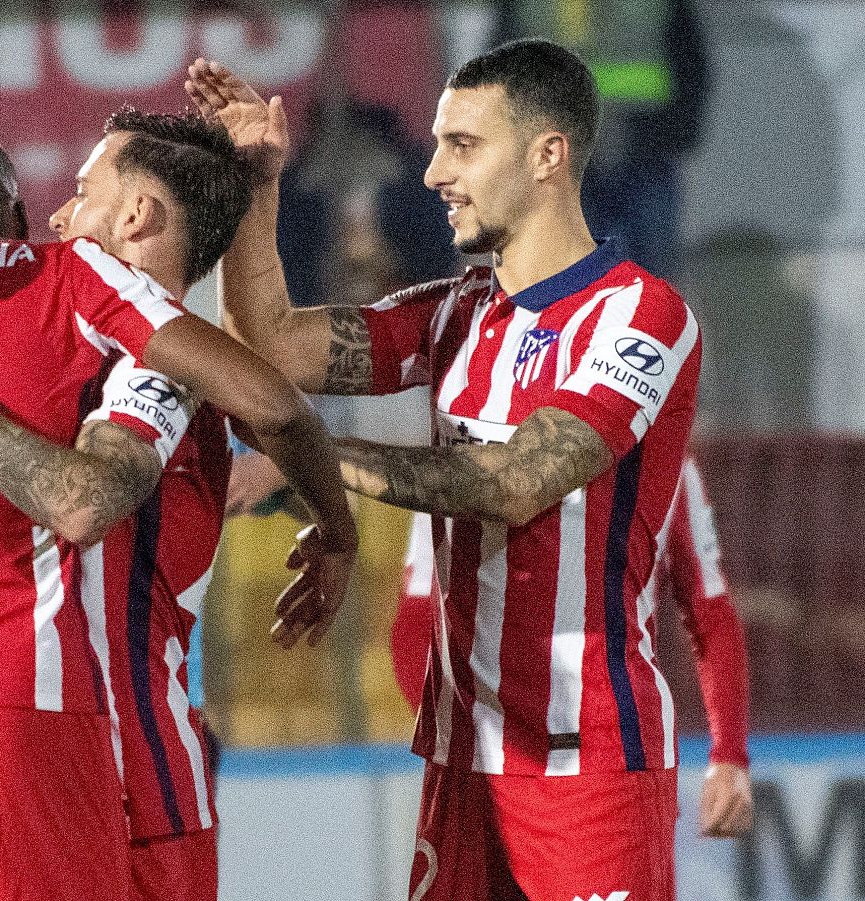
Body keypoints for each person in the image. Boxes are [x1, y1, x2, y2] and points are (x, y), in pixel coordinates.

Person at [0, 120, 356, 901]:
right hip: (64, 734)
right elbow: (270, 403)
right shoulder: (67, 291)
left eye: (79, 195)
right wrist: (336, 528)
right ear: (6, 221)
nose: (56, 218)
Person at [191, 38, 700, 901]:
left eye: (462, 145)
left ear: (549, 155)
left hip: (586, 763)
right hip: (461, 756)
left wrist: (310, 457)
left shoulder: (640, 317)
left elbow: (515, 483)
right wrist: (257, 187)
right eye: (436, 145)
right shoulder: (456, 315)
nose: (432, 173)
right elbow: (271, 343)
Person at [0, 134, 239, 901]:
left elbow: (275, 400)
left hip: (140, 784)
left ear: (135, 215)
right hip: (40, 752)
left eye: (81, 193)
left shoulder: (159, 369)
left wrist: (335, 519)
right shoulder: (53, 353)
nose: (59, 219)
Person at [392, 455, 754, 839]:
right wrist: (470, 751)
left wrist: (729, 755)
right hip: (493, 770)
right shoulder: (468, 452)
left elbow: (710, 614)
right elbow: (416, 628)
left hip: (613, 769)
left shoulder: (669, 460)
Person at [494, 0, 710, 278]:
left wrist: (674, 132)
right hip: (563, 157)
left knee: (650, 275)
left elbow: (689, 58)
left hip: (644, 148)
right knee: (569, 277)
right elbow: (502, 71)